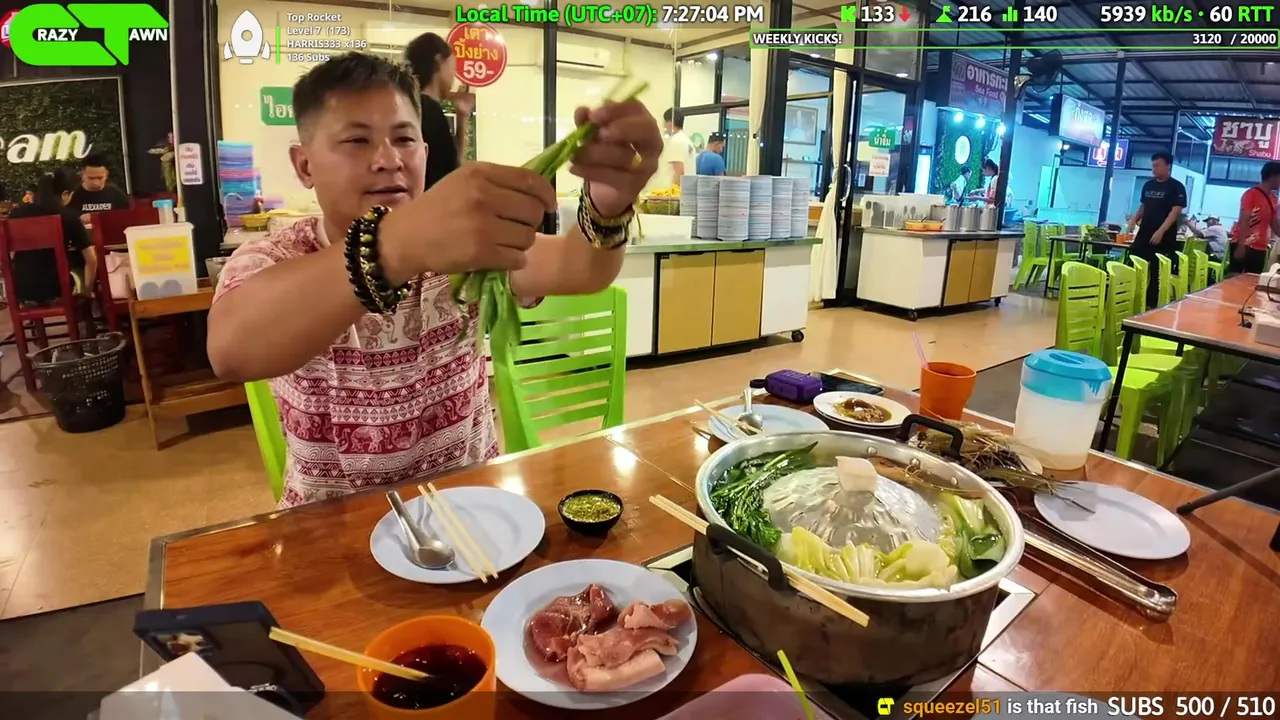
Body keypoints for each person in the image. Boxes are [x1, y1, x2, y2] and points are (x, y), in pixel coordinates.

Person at [205, 53, 660, 508]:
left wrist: (608, 203)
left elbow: (580, 268)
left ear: (424, 154)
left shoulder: (466, 249)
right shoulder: (277, 257)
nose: (388, 160)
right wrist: (396, 245)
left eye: (404, 139)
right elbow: (231, 350)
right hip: (331, 526)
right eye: (357, 140)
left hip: (472, 508)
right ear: (304, 165)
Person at [6, 171, 97, 305]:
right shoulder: (68, 217)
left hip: (21, 289)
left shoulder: (16, 214)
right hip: (57, 288)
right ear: (65, 194)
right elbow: (91, 259)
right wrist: (87, 292)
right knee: (79, 271)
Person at [403, 32, 473, 191]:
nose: (453, 77)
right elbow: (452, 175)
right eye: (452, 67)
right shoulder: (430, 111)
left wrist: (461, 116)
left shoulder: (412, 104)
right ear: (439, 61)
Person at [1124, 152, 1187, 307]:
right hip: (1144, 233)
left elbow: (1175, 212)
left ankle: (1151, 304)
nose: (1154, 169)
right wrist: (1134, 220)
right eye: (1153, 165)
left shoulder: (1177, 187)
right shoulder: (1148, 185)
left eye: (1158, 165)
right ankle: (1130, 298)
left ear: (1168, 166)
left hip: (1164, 236)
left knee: (1156, 270)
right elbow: (1144, 206)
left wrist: (1161, 231)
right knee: (1133, 262)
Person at [1229, 160, 1280, 275]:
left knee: (1253, 280)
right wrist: (1241, 246)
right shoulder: (1251, 194)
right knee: (1235, 278)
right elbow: (1244, 220)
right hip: (1245, 244)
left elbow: (1274, 223)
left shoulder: (1273, 198)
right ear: (1273, 176)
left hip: (1260, 247)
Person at [68, 153, 131, 219]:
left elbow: (126, 217)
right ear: (82, 175)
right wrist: (78, 219)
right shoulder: (73, 195)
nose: (96, 182)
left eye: (100, 178)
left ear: (106, 175)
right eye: (91, 178)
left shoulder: (117, 195)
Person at [656, 108, 696, 188]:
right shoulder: (686, 140)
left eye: (665, 123)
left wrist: (674, 192)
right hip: (687, 190)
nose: (664, 126)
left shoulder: (676, 141)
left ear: (670, 123)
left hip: (674, 193)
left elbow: (679, 171)